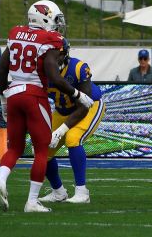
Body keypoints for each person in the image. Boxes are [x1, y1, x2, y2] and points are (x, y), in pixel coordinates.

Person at [0, 1, 95, 213]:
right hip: (34, 95)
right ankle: (32, 202)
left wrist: (3, 98)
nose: (58, 26)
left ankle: (1, 180)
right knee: (42, 149)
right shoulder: (49, 39)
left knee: (14, 148)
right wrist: (78, 95)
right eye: (56, 20)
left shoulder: (15, 33)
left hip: (13, 94)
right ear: (45, 17)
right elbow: (52, 76)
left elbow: (2, 71)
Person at [40, 48, 105, 205]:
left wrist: (61, 130)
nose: (53, 58)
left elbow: (84, 105)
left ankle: (82, 192)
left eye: (57, 54)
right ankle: (58, 192)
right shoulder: (39, 71)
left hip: (89, 106)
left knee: (73, 138)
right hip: (62, 110)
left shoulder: (78, 68)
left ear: (64, 55)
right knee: (43, 147)